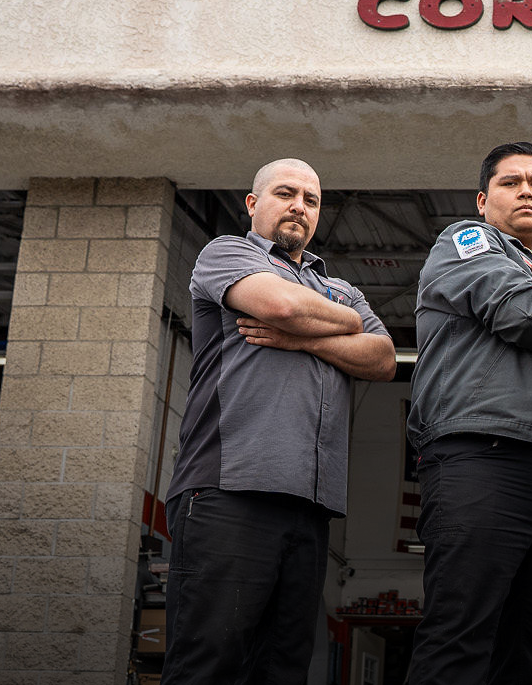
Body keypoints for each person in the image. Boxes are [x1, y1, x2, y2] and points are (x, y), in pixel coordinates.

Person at [167, 158, 397, 685]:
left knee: (282, 668)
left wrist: (302, 340)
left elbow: (384, 358)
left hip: (310, 507)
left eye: (311, 200)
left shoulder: (341, 287)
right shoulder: (226, 253)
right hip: (228, 491)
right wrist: (343, 323)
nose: (299, 206)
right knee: (208, 664)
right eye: (285, 193)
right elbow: (283, 307)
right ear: (253, 203)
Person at [404, 141, 532, 684]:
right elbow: (523, 317)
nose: (525, 192)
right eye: (510, 182)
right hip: (480, 456)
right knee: (459, 636)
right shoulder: (465, 241)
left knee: (529, 648)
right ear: (482, 200)